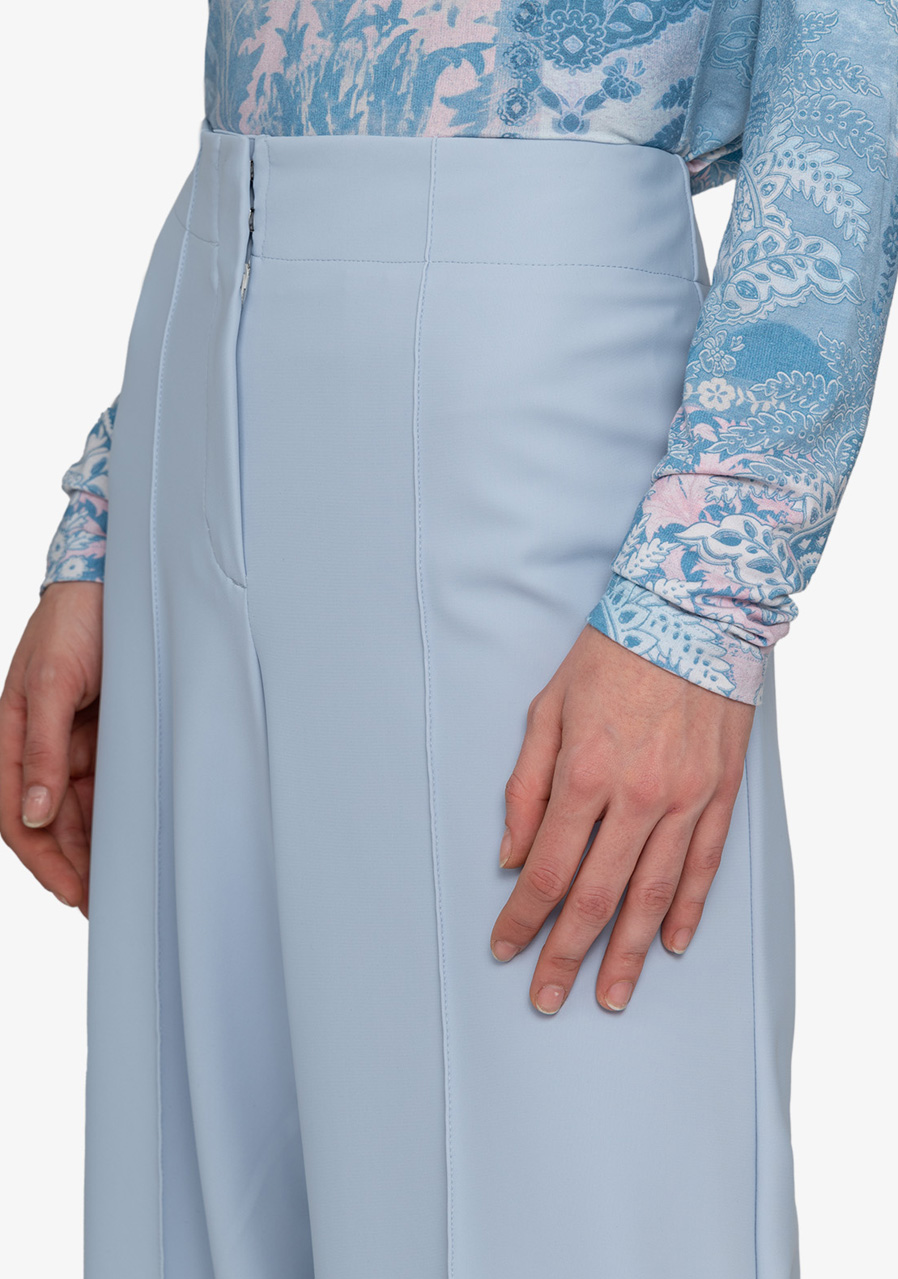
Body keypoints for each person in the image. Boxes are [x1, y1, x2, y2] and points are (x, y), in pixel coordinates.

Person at [1, 2, 896, 1276]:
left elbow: (857, 63)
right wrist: (106, 513)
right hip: (201, 346)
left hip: (527, 388)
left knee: (563, 1205)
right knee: (201, 1223)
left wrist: (701, 592)